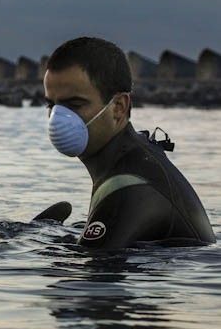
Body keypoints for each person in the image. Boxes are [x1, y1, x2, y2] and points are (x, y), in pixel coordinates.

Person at [43, 37, 215, 249]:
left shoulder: (130, 185)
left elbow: (96, 272)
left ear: (118, 107)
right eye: (52, 105)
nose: (58, 118)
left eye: (75, 104)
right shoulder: (130, 161)